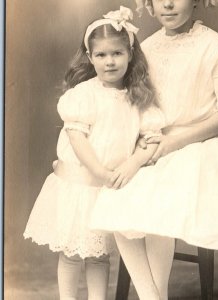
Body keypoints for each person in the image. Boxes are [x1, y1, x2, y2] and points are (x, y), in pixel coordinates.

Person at [90, 1, 218, 299]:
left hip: (206, 142)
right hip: (156, 141)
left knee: (164, 198)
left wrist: (175, 142)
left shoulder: (216, 47)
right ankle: (154, 295)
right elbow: (138, 104)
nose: (167, 4)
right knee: (116, 196)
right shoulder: (145, 48)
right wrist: (141, 140)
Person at [23, 6, 164, 300]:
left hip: (111, 187)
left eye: (117, 53)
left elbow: (150, 139)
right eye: (101, 55)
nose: (109, 62)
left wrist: (133, 164)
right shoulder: (83, 95)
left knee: (100, 256)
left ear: (130, 54)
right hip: (81, 185)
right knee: (73, 252)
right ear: (90, 57)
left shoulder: (138, 96)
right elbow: (78, 139)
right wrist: (100, 172)